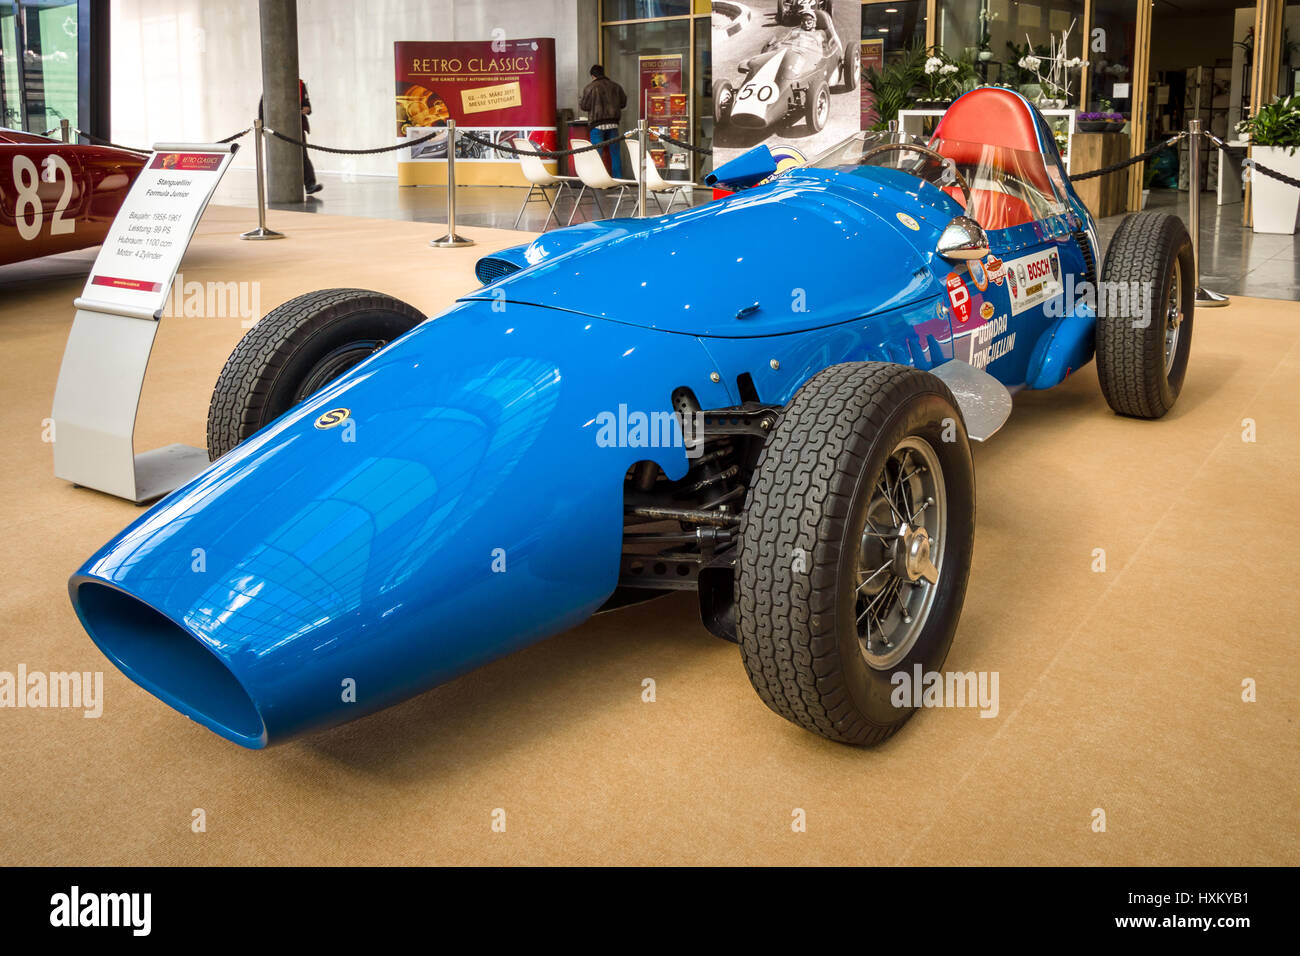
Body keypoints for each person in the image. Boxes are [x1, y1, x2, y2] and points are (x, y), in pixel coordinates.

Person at [258, 78, 322, 196]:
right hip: (277, 128)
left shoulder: (300, 84)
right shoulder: (273, 83)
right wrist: (262, 125)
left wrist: (306, 109)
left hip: (297, 126)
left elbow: (307, 105)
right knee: (278, 157)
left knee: (302, 155)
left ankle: (310, 185)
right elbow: (263, 105)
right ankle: (279, 187)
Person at [579, 64, 627, 178]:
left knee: (597, 154)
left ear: (593, 76)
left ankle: (598, 179)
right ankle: (618, 180)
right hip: (613, 124)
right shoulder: (616, 86)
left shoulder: (590, 87)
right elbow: (623, 103)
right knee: (615, 154)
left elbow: (584, 106)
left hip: (597, 125)